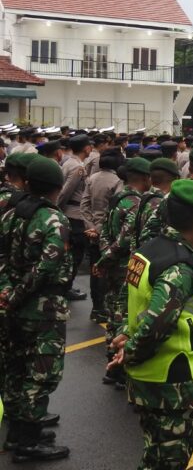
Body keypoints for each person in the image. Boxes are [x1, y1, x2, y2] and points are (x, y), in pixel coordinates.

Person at [108, 179, 193, 470]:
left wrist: (123, 335)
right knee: (169, 460)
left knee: (156, 454)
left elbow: (131, 301)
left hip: (158, 376)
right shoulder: (179, 265)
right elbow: (156, 323)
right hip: (172, 380)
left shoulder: (149, 250)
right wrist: (129, 352)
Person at [0, 158, 73, 461]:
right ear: (57, 187)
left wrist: (7, 294)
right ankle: (29, 443)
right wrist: (17, 295)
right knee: (41, 374)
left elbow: (3, 259)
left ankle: (18, 432)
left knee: (15, 369)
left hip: (13, 306)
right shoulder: (54, 221)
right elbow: (46, 267)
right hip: (43, 309)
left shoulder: (11, 215)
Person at [95, 158, 152, 387]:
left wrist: (104, 257)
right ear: (144, 178)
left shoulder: (118, 198)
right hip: (125, 267)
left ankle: (112, 365)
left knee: (113, 315)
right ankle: (118, 369)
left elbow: (105, 233)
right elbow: (125, 238)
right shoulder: (135, 202)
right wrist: (108, 258)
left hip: (113, 265)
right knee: (123, 316)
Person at [81, 148, 124, 321]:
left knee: (94, 269)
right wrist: (100, 230)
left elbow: (84, 206)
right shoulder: (117, 181)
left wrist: (91, 227)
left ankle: (96, 307)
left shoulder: (92, 178)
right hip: (108, 232)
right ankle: (107, 307)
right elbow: (113, 210)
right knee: (108, 270)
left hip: (91, 231)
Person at [57, 133, 92, 302]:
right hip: (74, 213)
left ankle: (66, 285)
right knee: (76, 253)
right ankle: (66, 287)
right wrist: (58, 209)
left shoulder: (69, 162)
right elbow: (65, 192)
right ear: (86, 148)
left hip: (70, 212)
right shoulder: (78, 167)